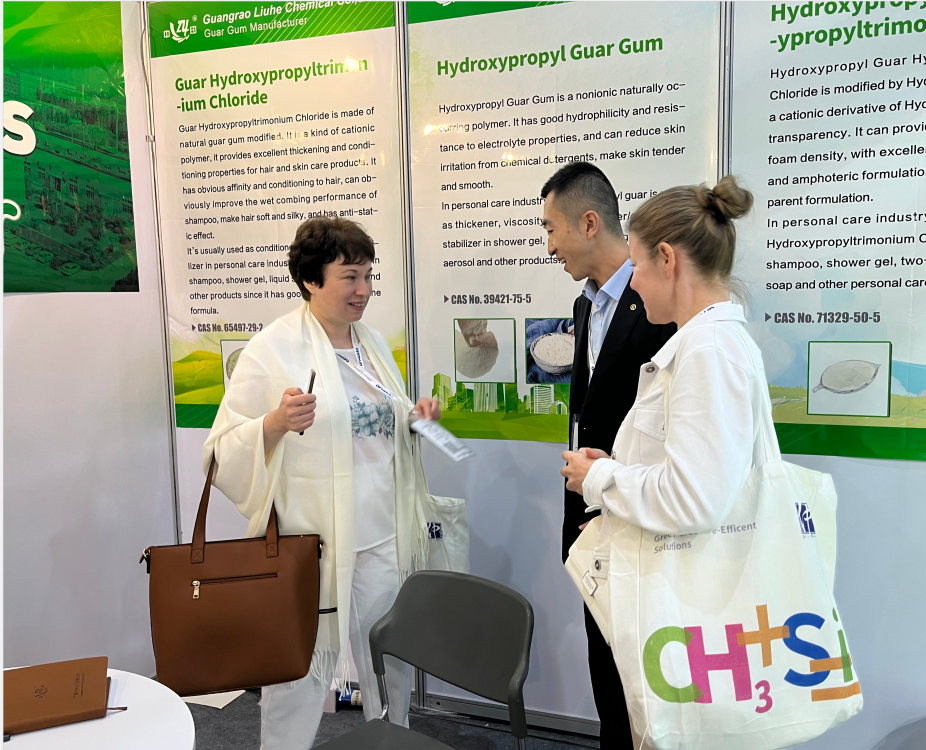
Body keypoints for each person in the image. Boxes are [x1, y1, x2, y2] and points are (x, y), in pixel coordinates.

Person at [203, 216, 440, 750]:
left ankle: (392, 743)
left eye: (368, 276)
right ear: (311, 280)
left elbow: (375, 428)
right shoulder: (273, 349)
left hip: (381, 535)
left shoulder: (371, 343)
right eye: (350, 277)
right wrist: (273, 423)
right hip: (311, 546)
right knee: (299, 672)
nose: (364, 290)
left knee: (388, 660)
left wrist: (412, 420)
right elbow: (220, 452)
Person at [559, 176, 762, 748]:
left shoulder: (707, 350)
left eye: (639, 264)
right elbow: (693, 470)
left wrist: (601, 477)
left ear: (668, 260)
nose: (633, 282)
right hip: (680, 588)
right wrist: (618, 469)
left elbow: (693, 497)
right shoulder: (705, 343)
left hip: (687, 594)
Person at [540, 162, 676, 749]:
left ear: (589, 223)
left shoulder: (660, 303)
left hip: (643, 521)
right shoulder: (584, 305)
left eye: (552, 229)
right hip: (591, 519)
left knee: (649, 684)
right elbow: (587, 414)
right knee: (607, 677)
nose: (549, 246)